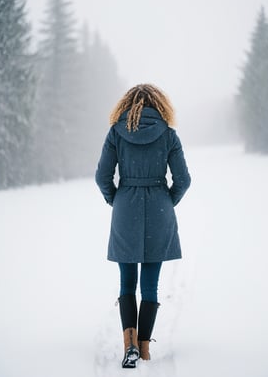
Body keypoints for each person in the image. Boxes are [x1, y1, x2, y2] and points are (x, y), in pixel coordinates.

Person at [95, 83, 191, 368]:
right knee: (150, 285)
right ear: (159, 104)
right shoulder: (169, 135)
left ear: (127, 104)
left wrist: (117, 200)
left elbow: (102, 176)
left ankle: (130, 346)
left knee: (127, 282)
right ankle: (145, 349)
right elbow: (183, 180)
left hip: (126, 207)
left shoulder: (115, 133)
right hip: (160, 207)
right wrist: (166, 201)